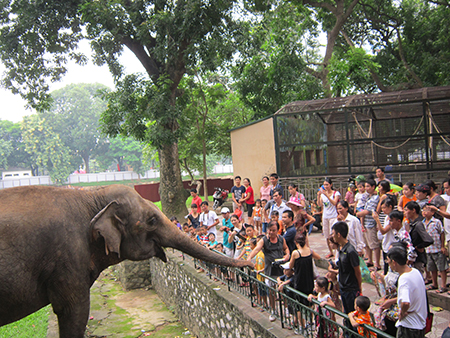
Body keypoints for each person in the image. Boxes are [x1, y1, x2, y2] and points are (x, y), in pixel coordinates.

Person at [248, 221, 290, 322]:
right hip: (269, 270)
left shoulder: (281, 239)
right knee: (271, 291)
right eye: (270, 230)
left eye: (273, 230)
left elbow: (286, 249)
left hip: (280, 268)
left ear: (277, 230)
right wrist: (249, 258)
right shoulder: (264, 240)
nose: (271, 232)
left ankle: (286, 309)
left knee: (283, 290)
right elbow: (257, 249)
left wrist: (287, 255)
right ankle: (273, 310)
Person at [386, 242, 427, 338]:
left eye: (388, 261)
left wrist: (402, 312)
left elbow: (406, 302)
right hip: (420, 323)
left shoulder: (404, 279)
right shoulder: (415, 272)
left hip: (409, 327)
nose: (388, 264)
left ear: (394, 262)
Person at [332, 221, 362, 335]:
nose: (332, 236)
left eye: (333, 233)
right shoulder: (341, 249)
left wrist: (359, 287)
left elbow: (357, 271)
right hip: (343, 286)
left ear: (339, 234)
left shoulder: (350, 251)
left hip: (351, 288)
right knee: (346, 314)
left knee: (352, 315)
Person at [289, 232, 321, 331]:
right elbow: (318, 257)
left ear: (296, 242)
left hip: (299, 281)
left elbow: (290, 266)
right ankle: (310, 322)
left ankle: (302, 326)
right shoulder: (309, 251)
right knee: (309, 303)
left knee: (298, 305)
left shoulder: (295, 253)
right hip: (309, 280)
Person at [357, 179, 381, 271]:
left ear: (373, 187)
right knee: (366, 244)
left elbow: (369, 211)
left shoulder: (375, 198)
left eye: (368, 186)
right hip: (365, 223)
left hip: (371, 223)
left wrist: (359, 214)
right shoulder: (367, 197)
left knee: (374, 245)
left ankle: (377, 264)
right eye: (365, 186)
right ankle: (370, 260)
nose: (366, 188)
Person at [422, 204, 448, 293]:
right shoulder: (422, 223)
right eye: (423, 210)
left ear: (432, 212)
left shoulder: (436, 222)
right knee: (432, 268)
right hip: (428, 249)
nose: (424, 212)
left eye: (427, 210)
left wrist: (442, 246)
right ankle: (434, 283)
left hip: (437, 248)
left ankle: (443, 285)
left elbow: (442, 233)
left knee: (441, 268)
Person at [404, 201, 434, 275]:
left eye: (407, 210)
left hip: (418, 258)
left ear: (413, 210)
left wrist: (419, 246)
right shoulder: (412, 223)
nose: (405, 212)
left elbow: (429, 240)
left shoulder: (418, 224)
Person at [318, 178, 341, 259]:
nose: (325, 186)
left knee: (333, 234)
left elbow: (334, 203)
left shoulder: (336, 193)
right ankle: (330, 251)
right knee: (326, 235)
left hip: (333, 216)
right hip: (325, 216)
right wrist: (319, 195)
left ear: (331, 185)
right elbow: (320, 205)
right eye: (324, 185)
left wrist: (326, 195)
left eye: (327, 185)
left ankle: (336, 252)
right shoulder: (322, 195)